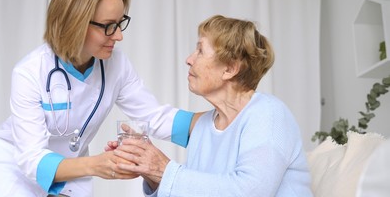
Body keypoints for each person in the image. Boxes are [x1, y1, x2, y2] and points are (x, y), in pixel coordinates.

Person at [0, 0, 197, 197]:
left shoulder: (116, 64)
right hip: (12, 171)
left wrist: (218, 121)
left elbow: (154, 117)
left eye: (120, 23)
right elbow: (31, 159)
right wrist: (98, 164)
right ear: (75, 22)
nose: (119, 36)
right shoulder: (30, 72)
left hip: (72, 169)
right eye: (109, 25)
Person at [114, 15, 313, 196]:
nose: (189, 59)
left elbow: (250, 191)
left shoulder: (268, 114)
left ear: (229, 69)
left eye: (200, 50)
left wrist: (163, 171)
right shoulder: (204, 126)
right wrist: (152, 174)